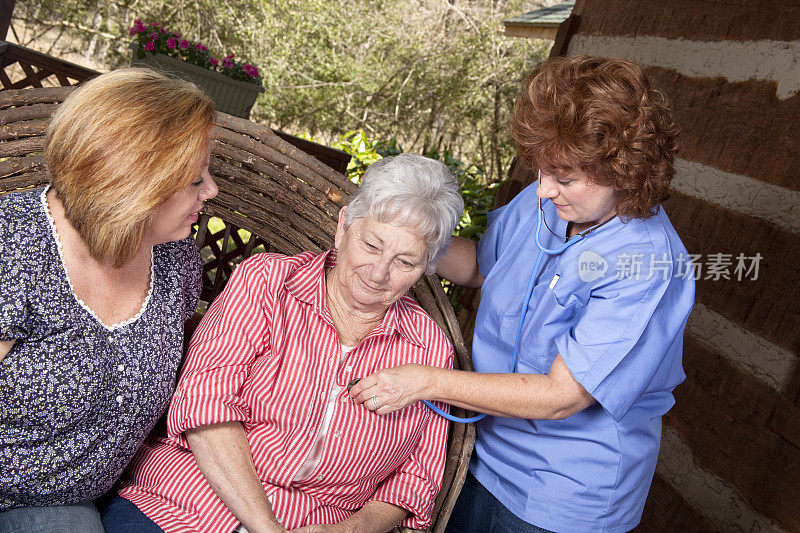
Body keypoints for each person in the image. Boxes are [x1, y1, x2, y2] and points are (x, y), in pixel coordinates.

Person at [349, 56, 696, 532]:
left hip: (561, 492)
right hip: (479, 449)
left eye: (565, 177)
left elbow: (560, 396)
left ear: (625, 169)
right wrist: (399, 235)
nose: (544, 189)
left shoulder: (648, 264)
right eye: (543, 170)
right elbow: (479, 266)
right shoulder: (551, 201)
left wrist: (425, 381)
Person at [102, 153, 464, 533]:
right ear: (344, 228)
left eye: (405, 262)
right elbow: (204, 405)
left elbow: (413, 480)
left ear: (427, 267)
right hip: (187, 505)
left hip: (317, 524)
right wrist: (266, 528)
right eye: (372, 246)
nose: (378, 273)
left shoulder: (428, 346)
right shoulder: (267, 282)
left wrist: (345, 531)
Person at [0, 68, 218, 532]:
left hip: (61, 502)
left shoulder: (175, 258)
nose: (212, 191)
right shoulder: (11, 244)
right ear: (134, 185)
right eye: (195, 180)